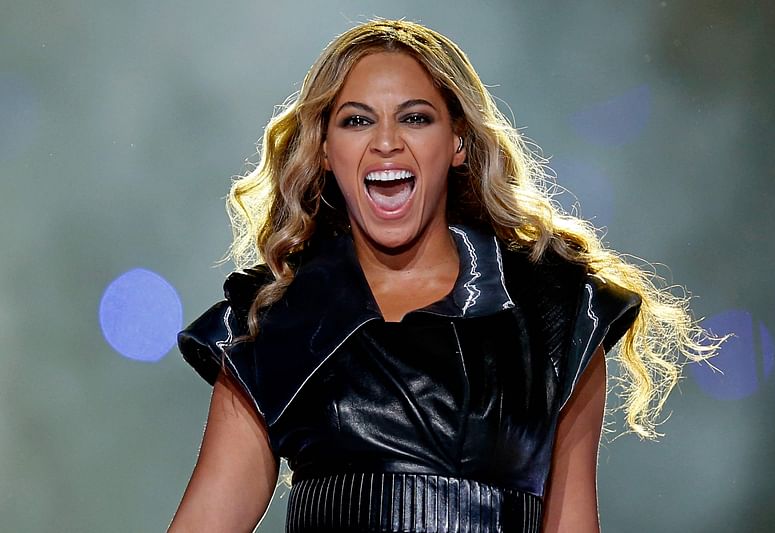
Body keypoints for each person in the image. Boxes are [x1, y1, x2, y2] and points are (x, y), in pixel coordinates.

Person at [168, 19, 718, 533]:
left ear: (456, 142)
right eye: (357, 120)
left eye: (414, 117)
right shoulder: (272, 326)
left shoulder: (554, 315)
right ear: (324, 153)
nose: (386, 141)